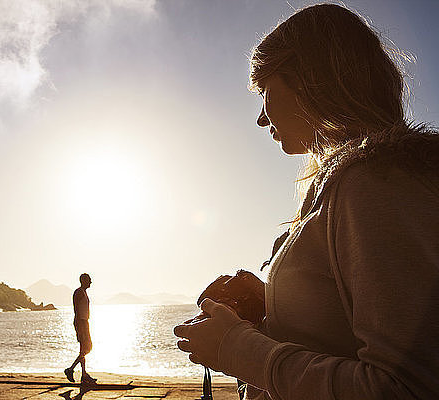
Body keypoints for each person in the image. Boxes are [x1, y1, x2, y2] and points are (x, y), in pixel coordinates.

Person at [174, 4, 439, 400]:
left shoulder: (376, 187)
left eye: (264, 90)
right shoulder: (351, 186)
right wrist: (274, 304)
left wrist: (237, 349)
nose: (262, 119)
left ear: (311, 80)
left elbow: (406, 388)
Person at [65, 273, 96, 385]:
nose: (91, 282)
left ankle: (83, 375)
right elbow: (76, 310)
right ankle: (70, 369)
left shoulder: (83, 292)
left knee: (84, 349)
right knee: (87, 348)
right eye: (89, 280)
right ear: (84, 281)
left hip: (84, 322)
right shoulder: (79, 292)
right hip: (81, 322)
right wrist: (79, 327)